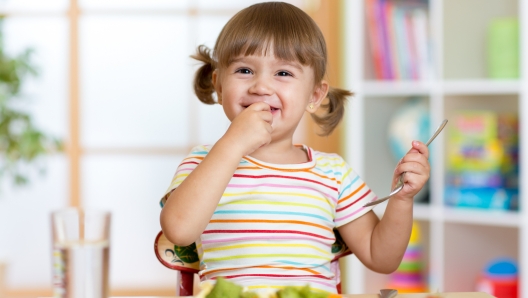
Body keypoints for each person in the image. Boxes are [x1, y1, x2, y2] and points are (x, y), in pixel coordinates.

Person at [160, 1, 430, 294]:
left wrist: (402, 200)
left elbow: (382, 257)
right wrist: (233, 144)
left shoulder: (333, 173)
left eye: (283, 73)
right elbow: (179, 230)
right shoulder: (204, 161)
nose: (261, 87)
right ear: (220, 85)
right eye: (244, 70)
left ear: (314, 94)